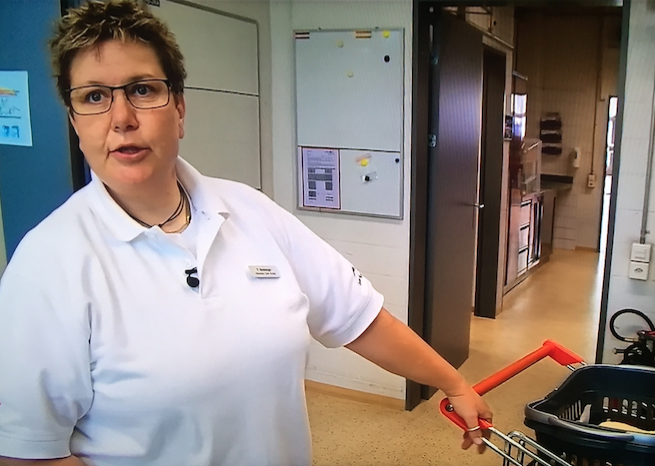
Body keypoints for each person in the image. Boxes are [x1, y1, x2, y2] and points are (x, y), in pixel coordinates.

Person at [0, 1, 492, 465]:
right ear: (75, 122)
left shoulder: (248, 210)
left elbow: (357, 316)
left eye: (143, 90)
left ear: (180, 109)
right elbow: (27, 452)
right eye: (94, 97)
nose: (122, 119)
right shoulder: (48, 264)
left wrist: (452, 383)